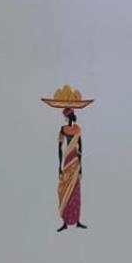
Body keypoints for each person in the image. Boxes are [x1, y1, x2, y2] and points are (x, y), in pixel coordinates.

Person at [42, 86, 93, 231]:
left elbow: (81, 149)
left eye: (65, 115)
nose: (65, 118)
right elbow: (59, 148)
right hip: (67, 161)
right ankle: (65, 221)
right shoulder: (63, 129)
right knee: (65, 189)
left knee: (75, 190)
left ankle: (76, 220)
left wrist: (81, 168)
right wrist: (59, 167)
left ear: (69, 116)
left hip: (75, 161)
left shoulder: (77, 129)